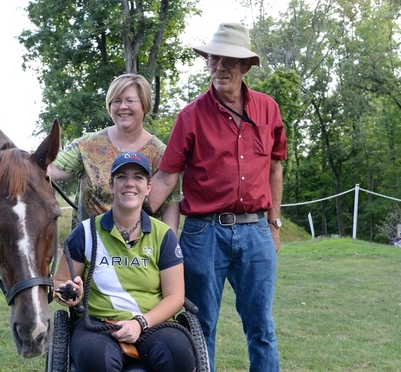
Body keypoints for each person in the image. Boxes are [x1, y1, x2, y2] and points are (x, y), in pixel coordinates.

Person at [148, 23, 287, 371]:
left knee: (262, 329)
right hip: (203, 234)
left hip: (256, 232)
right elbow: (167, 177)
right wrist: (123, 218)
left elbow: (274, 170)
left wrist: (275, 225)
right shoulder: (191, 116)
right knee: (200, 327)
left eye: (229, 60)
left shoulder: (268, 110)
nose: (220, 66)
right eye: (213, 59)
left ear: (245, 67)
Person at [53, 151, 195, 372]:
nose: (130, 183)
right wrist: (70, 292)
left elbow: (175, 296)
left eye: (138, 177)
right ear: (111, 186)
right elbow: (60, 280)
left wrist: (140, 323)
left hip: (152, 324)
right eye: (122, 177)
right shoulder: (85, 232)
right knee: (97, 361)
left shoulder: (163, 235)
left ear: (148, 187)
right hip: (97, 325)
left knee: (179, 356)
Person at [47, 74, 181, 233]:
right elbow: (50, 170)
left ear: (145, 104)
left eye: (130, 100)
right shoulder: (88, 145)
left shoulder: (161, 154)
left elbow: (170, 206)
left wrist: (170, 249)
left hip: (140, 251)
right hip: (89, 248)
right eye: (116, 101)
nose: (122, 106)